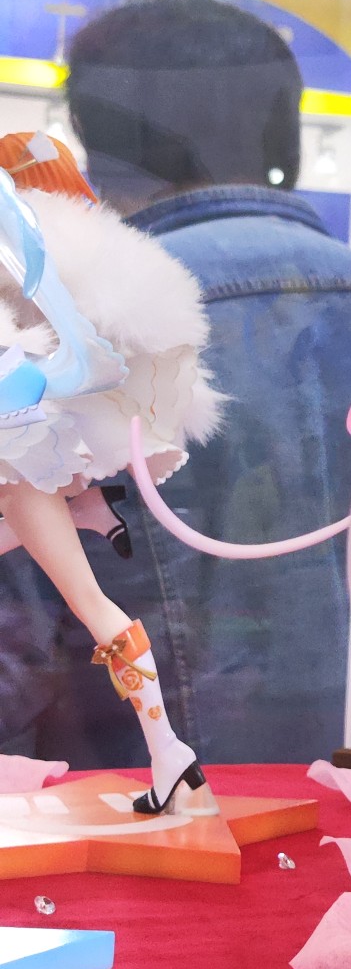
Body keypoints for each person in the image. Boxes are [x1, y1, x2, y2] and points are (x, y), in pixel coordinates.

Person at [0, 0, 351, 771]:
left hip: (149, 823)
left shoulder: (55, 347)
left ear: (98, 149)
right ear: (282, 134)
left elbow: (11, 674)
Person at [0, 131, 220, 814]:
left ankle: (168, 751)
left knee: (94, 605)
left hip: (23, 450)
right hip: (32, 446)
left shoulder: (29, 247)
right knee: (89, 599)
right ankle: (93, 513)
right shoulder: (62, 252)